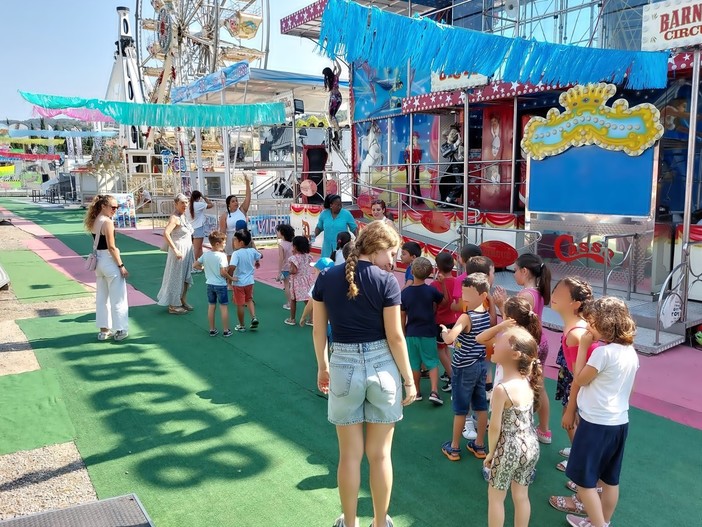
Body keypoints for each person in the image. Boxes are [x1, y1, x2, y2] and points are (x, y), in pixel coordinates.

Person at [312, 220, 416, 527]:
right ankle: (381, 522)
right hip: (383, 367)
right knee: (380, 456)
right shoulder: (387, 282)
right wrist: (409, 380)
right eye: (392, 253)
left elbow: (319, 331)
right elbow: (396, 337)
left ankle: (350, 522)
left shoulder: (327, 277)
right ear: (380, 247)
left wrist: (323, 365)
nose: (394, 261)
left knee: (349, 456)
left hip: (342, 365)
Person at [551, 297, 639, 527]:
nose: (588, 327)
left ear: (606, 324)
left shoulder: (603, 353)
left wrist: (582, 346)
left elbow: (578, 377)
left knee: (584, 482)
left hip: (596, 425)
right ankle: (603, 521)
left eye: (592, 322)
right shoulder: (630, 352)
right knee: (610, 479)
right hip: (619, 422)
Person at [483, 326, 542, 527]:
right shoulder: (527, 381)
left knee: (496, 497)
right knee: (521, 495)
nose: (493, 344)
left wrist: (491, 453)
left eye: (499, 342)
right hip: (531, 445)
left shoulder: (502, 389)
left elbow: (494, 428)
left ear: (515, 354)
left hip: (509, 447)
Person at [494, 253, 552, 444]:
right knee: (538, 385)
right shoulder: (537, 292)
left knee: (524, 384)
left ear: (525, 271)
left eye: (516, 270)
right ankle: (544, 430)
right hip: (539, 340)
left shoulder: (526, 295)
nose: (513, 274)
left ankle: (522, 424)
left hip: (527, 343)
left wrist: (502, 305)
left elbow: (513, 325)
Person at [440, 273, 492, 461]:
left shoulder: (465, 317)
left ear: (483, 295)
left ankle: (454, 447)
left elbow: (451, 338)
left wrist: (445, 332)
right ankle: (479, 445)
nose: (464, 298)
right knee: (480, 406)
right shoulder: (485, 314)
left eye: (467, 294)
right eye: (463, 293)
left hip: (463, 367)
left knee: (461, 408)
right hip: (479, 365)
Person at [550, 277, 596, 474]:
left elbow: (580, 375)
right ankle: (579, 450)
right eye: (554, 292)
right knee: (572, 420)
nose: (553, 297)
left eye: (559, 295)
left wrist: (571, 407)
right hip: (572, 378)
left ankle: (580, 458)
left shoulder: (576, 333)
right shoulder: (575, 325)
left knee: (571, 419)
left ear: (575, 304)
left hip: (579, 383)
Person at [401, 257, 446, 405]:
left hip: (411, 333)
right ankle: (434, 391)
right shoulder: (431, 291)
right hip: (428, 331)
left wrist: (403, 332)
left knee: (414, 363)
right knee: (432, 361)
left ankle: (417, 391)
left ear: (412, 271)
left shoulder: (405, 293)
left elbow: (402, 316)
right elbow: (444, 301)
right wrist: (443, 284)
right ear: (428, 273)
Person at [84, 195, 129, 341]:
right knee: (118, 298)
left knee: (102, 297)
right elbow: (111, 247)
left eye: (117, 207)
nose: (115, 210)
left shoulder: (95, 220)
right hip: (109, 262)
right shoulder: (108, 222)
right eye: (113, 207)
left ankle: (104, 330)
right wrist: (121, 265)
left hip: (99, 262)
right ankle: (121, 329)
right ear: (103, 206)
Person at [157, 193, 194, 315]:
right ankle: (173, 304)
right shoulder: (175, 218)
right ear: (176, 204)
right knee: (176, 277)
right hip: (179, 250)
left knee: (186, 277)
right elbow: (166, 233)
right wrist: (175, 250)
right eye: (182, 202)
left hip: (187, 250)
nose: (185, 205)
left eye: (186, 202)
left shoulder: (183, 216)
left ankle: (182, 299)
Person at [193, 231, 235, 337]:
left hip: (210, 285)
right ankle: (226, 330)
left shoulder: (206, 254)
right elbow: (223, 272)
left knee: (211, 306)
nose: (225, 244)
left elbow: (195, 264)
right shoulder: (222, 256)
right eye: (224, 242)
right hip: (220, 285)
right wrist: (231, 278)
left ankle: (212, 329)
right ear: (217, 243)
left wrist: (202, 268)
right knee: (223, 307)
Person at [432, 252, 459, 392]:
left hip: (439, 321)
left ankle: (453, 376)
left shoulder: (435, 284)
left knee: (439, 350)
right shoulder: (456, 281)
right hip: (452, 320)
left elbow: (435, 304)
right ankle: (449, 372)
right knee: (446, 347)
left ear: (438, 267)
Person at [229, 228, 261, 332]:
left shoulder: (236, 254)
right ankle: (253, 317)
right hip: (250, 282)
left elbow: (232, 267)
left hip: (239, 282)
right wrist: (256, 260)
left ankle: (241, 325)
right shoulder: (252, 251)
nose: (233, 242)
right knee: (249, 300)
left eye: (235, 240)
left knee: (240, 304)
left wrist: (229, 277)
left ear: (241, 242)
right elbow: (261, 255)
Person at [315, 194, 358, 260]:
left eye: (340, 204)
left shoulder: (346, 214)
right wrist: (312, 236)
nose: (340, 207)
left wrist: (357, 239)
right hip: (327, 248)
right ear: (331, 205)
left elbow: (354, 228)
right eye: (337, 205)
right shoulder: (324, 214)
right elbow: (319, 227)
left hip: (342, 249)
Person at [219, 178, 252, 260]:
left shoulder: (242, 210)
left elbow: (248, 197)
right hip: (231, 240)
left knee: (244, 259)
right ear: (228, 204)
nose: (236, 203)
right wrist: (220, 244)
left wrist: (247, 183)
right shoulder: (225, 216)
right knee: (231, 261)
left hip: (244, 238)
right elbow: (222, 232)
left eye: (236, 201)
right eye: (233, 201)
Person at [285, 236, 315, 326]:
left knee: (293, 300)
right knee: (308, 300)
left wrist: (288, 271)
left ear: (295, 247)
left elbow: (294, 271)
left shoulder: (294, 258)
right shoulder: (308, 256)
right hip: (307, 280)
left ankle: (292, 319)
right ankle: (312, 319)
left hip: (297, 281)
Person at [299, 257, 336, 328]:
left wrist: (303, 317)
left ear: (320, 272)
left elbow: (310, 305)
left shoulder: (317, 286)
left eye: (315, 270)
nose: (314, 273)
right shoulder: (337, 283)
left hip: (324, 322)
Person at [187, 190, 214, 266]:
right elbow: (211, 205)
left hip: (190, 228)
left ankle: (201, 263)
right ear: (199, 197)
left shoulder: (189, 205)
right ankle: (193, 265)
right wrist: (204, 198)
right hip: (198, 228)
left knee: (198, 248)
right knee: (197, 248)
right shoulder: (199, 204)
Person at [323, 61, 343, 143]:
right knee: (332, 116)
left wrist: (334, 69)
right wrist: (336, 62)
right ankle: (337, 133)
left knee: (331, 116)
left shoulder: (328, 81)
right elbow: (340, 69)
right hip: (339, 97)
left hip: (333, 98)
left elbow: (331, 79)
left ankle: (338, 131)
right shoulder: (335, 77)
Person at [276, 223, 295, 310]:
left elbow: (280, 258)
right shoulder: (292, 243)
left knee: (286, 285)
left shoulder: (281, 244)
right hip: (293, 266)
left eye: (278, 231)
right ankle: (293, 301)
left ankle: (289, 303)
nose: (277, 233)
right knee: (291, 285)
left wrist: (279, 272)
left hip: (285, 268)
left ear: (282, 233)